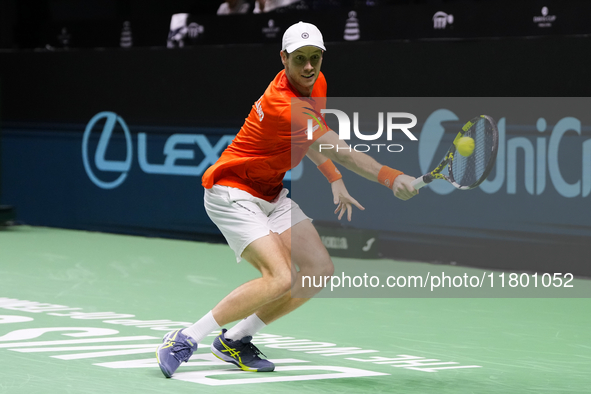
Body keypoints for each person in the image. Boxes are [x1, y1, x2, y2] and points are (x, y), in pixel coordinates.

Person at [156, 21, 418, 378]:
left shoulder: (316, 85)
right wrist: (390, 177)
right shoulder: (284, 104)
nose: (309, 67)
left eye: (315, 58)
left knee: (318, 270)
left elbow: (309, 141)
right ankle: (185, 338)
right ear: (283, 58)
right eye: (300, 59)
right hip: (231, 190)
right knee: (279, 277)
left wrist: (334, 179)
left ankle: (236, 339)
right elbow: (340, 150)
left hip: (270, 193)